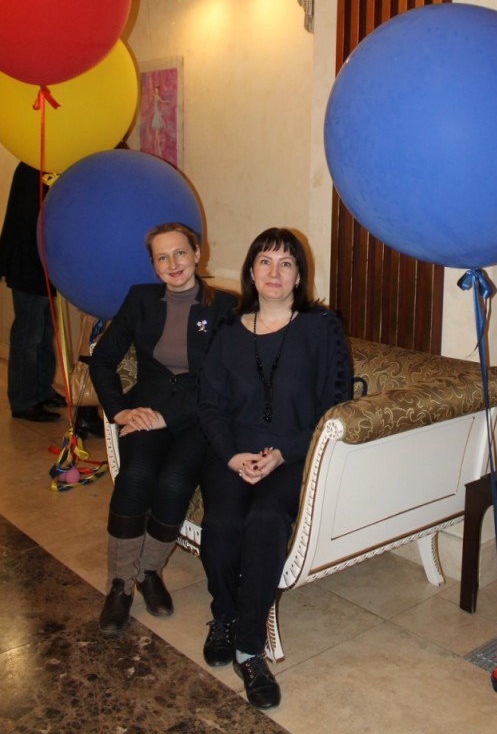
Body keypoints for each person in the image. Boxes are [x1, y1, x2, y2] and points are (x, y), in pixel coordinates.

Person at [197, 227, 352, 710]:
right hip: (231, 453)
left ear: (299, 276)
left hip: (293, 455)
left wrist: (283, 452)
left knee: (265, 521)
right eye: (265, 261)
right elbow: (209, 405)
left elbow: (335, 404)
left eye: (286, 263)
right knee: (222, 523)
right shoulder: (227, 329)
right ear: (251, 271)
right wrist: (230, 455)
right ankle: (223, 615)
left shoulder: (321, 327)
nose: (274, 272)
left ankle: (248, 647)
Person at [88, 222, 236, 638]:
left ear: (197, 253)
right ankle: (120, 584)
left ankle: (149, 571)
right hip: (144, 408)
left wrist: (165, 416)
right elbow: (103, 359)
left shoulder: (225, 306)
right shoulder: (140, 299)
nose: (173, 264)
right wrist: (120, 411)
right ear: (153, 265)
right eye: (162, 257)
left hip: (198, 415)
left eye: (180, 253)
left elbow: (219, 380)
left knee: (173, 483)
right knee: (135, 476)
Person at [0, 162, 63, 422]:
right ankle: (23, 401)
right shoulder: (33, 166)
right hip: (28, 263)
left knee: (43, 332)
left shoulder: (42, 164)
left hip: (40, 265)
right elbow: (31, 220)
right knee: (28, 335)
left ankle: (42, 391)